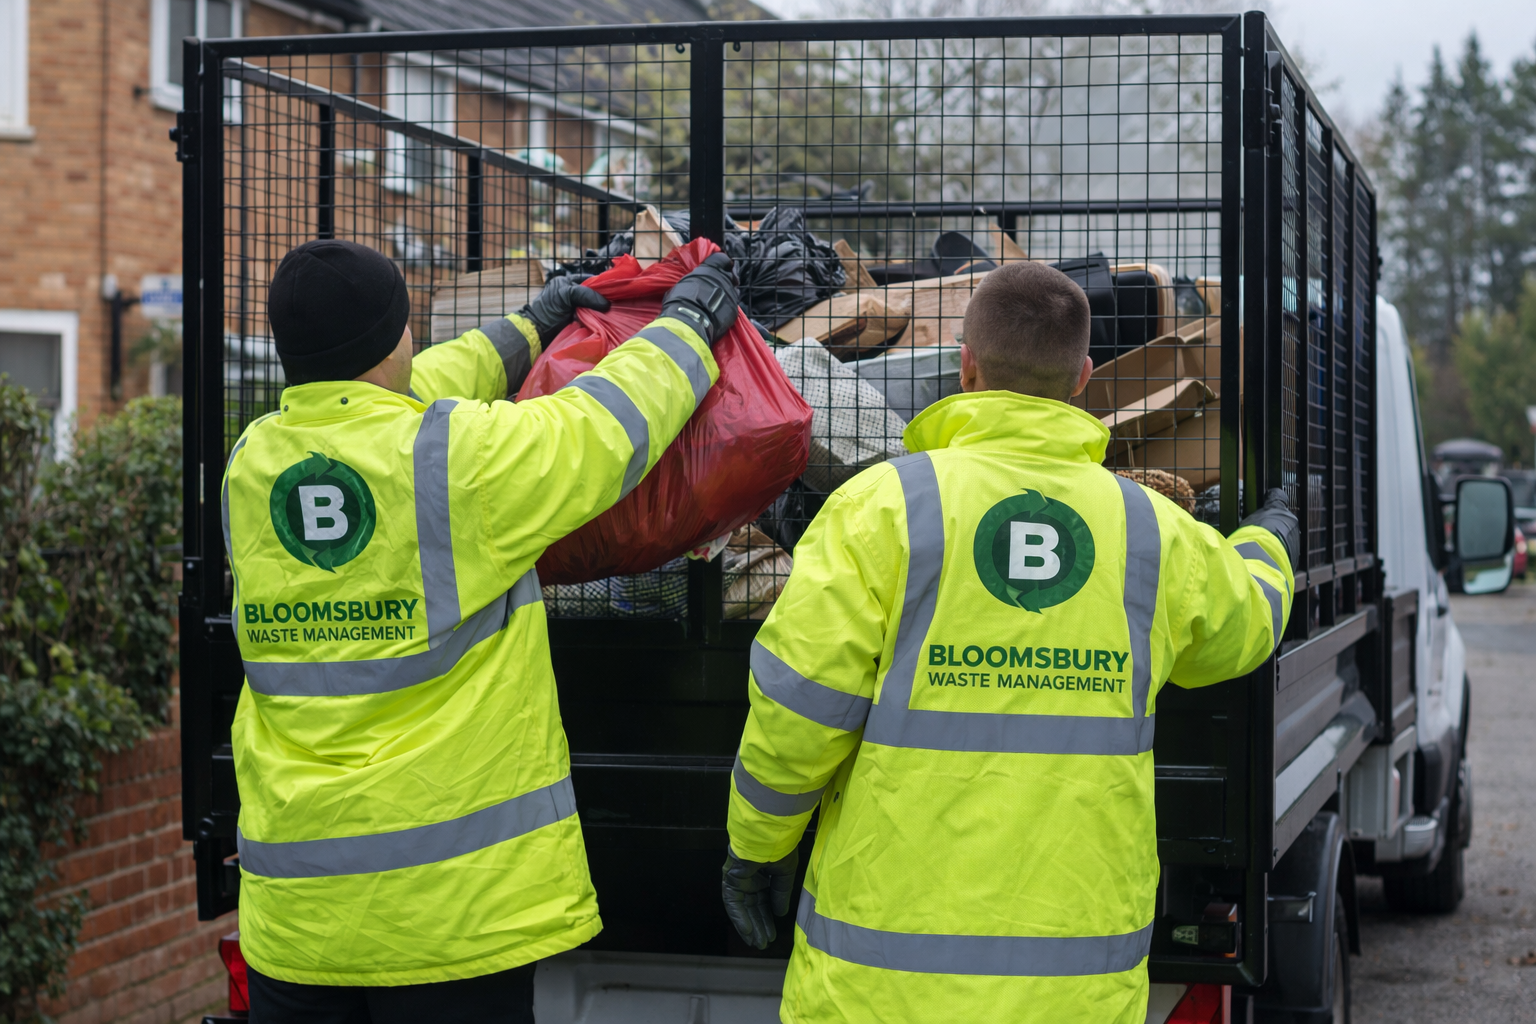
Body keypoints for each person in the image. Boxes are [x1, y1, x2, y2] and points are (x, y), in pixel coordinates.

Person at [720, 261, 1299, 1024]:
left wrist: (756, 851)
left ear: (966, 368)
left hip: (880, 985)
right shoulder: (1151, 531)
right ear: (1084, 377)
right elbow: (1245, 626)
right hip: (1074, 986)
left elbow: (800, 711)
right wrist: (1270, 541)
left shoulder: (881, 509)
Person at [223, 239, 739, 1023]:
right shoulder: (457, 464)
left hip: (298, 926)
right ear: (396, 336)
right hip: (449, 924)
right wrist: (690, 324)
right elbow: (600, 429)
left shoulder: (252, 465)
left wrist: (533, 324)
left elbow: (404, 390)